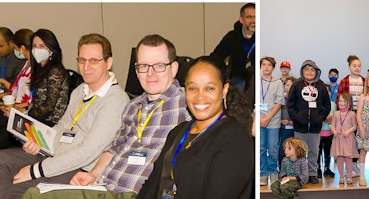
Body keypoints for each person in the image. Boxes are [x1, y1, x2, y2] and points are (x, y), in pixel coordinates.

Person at [26, 35, 189, 199]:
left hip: (134, 193)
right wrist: (94, 174)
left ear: (174, 68)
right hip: (103, 186)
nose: (150, 73)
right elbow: (115, 149)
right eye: (144, 66)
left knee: (35, 195)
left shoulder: (187, 103)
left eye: (159, 66)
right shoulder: (133, 106)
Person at [0, 34, 128, 199]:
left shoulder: (115, 101)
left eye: (94, 60)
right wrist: (39, 143)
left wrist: (34, 171)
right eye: (82, 60)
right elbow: (61, 127)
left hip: (78, 169)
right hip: (53, 155)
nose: (86, 66)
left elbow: (86, 153)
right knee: (2, 161)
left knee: (18, 190)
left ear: (108, 63)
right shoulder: (80, 90)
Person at [136, 56, 254, 199]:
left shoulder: (236, 140)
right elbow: (151, 186)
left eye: (209, 88)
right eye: (192, 88)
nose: (200, 96)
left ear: (224, 90)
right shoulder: (177, 132)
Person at [289, 60, 331, 185]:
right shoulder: (296, 85)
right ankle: (300, 175)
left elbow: (326, 106)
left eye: (312, 70)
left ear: (316, 72)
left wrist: (319, 117)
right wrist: (297, 117)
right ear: (302, 71)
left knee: (313, 151)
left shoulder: (322, 86)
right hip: (299, 127)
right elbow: (290, 104)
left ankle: (312, 173)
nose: (309, 72)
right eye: (307, 69)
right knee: (299, 152)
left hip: (315, 127)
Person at [210, 3, 256, 93]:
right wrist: (224, 76)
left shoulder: (264, 35)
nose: (253, 20)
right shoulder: (232, 36)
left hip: (258, 79)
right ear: (241, 19)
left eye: (256, 17)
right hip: (238, 79)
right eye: (249, 17)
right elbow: (216, 57)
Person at [0, 29, 33, 149]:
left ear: (22, 48)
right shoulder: (27, 64)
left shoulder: (32, 66)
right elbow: (16, 88)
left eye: (15, 48)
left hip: (22, 111)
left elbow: (32, 99)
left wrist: (15, 107)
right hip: (13, 105)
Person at [259, 57, 285, 186]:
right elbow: (251, 101)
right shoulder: (256, 82)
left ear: (273, 67)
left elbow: (279, 102)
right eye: (264, 64)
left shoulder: (278, 82)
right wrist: (259, 118)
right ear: (260, 66)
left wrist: (268, 118)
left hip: (273, 120)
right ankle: (263, 174)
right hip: (258, 120)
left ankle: (273, 172)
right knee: (261, 148)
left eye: (269, 65)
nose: (266, 67)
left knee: (273, 148)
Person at [330, 93, 358, 186]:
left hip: (348, 139)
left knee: (348, 159)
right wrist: (334, 131)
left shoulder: (352, 114)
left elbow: (354, 126)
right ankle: (341, 176)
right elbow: (332, 125)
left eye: (344, 101)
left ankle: (349, 176)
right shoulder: (336, 114)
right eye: (340, 101)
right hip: (338, 139)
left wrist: (348, 131)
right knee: (340, 158)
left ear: (349, 103)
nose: (341, 103)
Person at [278, 77, 295, 169]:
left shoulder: (297, 100)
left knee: (294, 148)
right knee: (283, 148)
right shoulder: (281, 100)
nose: (289, 87)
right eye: (287, 85)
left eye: (291, 85)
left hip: (295, 128)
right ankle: (282, 168)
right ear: (284, 86)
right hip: (283, 128)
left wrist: (293, 121)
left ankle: (294, 169)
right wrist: (281, 121)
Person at [0, 28, 25, 92]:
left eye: (1, 46)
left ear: (11, 43)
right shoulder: (1, 56)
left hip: (11, 96)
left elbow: (19, 89)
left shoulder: (20, 59)